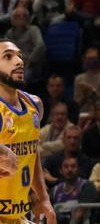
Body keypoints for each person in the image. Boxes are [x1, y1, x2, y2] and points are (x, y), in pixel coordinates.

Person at [0, 40, 55, 224]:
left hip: (17, 215)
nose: (18, 61)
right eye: (8, 56)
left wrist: (43, 197)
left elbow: (32, 153)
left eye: (19, 55)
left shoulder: (34, 105)